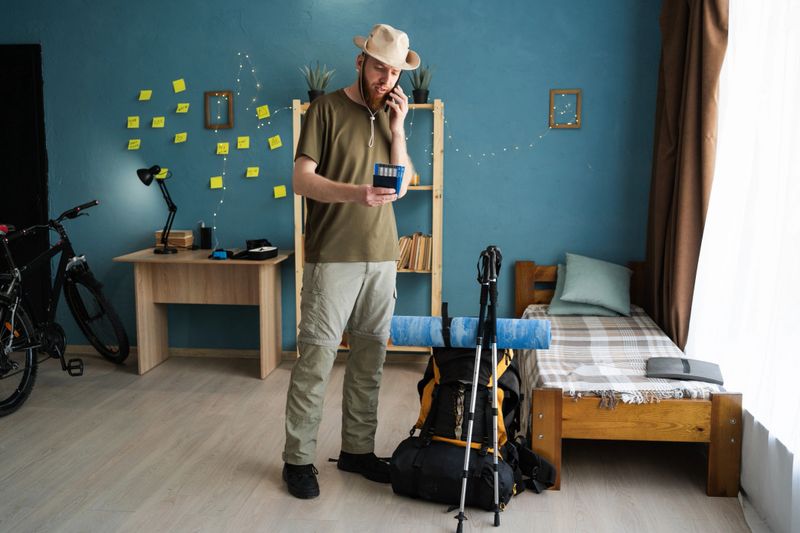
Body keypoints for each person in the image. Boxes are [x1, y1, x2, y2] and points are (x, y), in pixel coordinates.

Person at [283, 23, 420, 499]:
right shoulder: (324, 110)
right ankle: (297, 459)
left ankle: (358, 451)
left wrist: (399, 131)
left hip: (382, 258)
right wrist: (355, 194)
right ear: (361, 62)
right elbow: (302, 180)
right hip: (332, 257)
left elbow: (402, 185)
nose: (387, 79)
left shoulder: (392, 115)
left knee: (370, 362)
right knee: (317, 360)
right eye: (380, 67)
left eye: (395, 72)